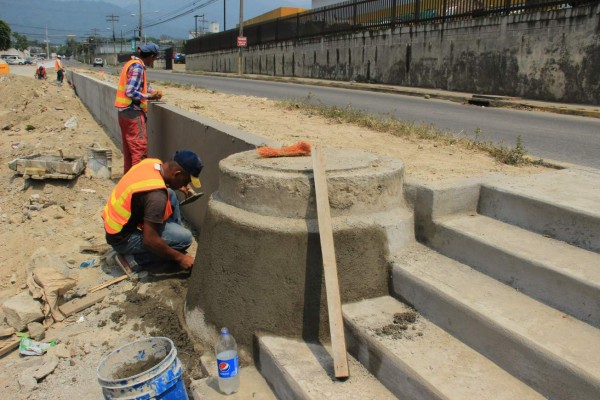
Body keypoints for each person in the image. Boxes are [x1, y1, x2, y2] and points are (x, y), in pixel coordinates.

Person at [102, 150, 203, 273]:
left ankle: (174, 241)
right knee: (185, 239)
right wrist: (180, 258)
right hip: (122, 239)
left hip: (117, 224)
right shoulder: (157, 197)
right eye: (186, 181)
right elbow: (149, 240)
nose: (186, 185)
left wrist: (174, 185)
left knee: (170, 193)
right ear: (176, 174)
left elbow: (149, 191)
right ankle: (132, 259)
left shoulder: (152, 163)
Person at [114, 42, 162, 173]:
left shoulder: (132, 64)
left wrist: (151, 91)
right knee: (139, 151)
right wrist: (148, 97)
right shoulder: (138, 67)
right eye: (155, 58)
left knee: (130, 152)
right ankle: (137, 184)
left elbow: (139, 85)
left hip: (124, 112)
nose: (154, 61)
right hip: (132, 113)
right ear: (151, 56)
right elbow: (130, 91)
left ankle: (128, 181)